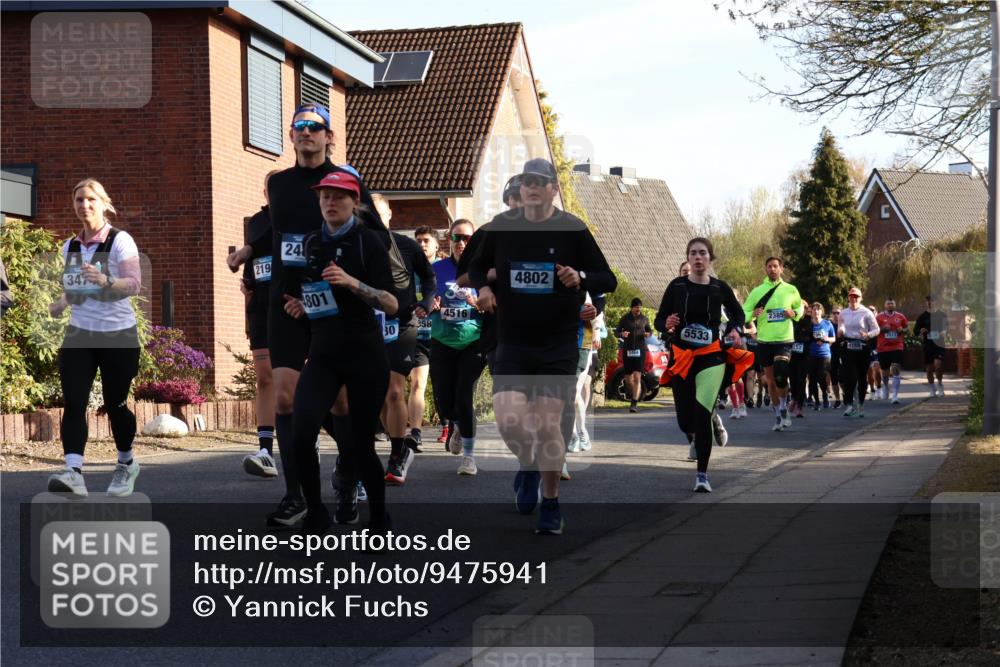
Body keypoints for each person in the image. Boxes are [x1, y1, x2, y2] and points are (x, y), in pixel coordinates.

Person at [244, 103, 386, 527]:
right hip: (286, 301)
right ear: (291, 137)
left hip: (332, 307)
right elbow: (276, 231)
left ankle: (347, 470)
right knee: (285, 396)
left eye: (314, 127)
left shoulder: (346, 181)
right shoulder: (282, 184)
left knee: (340, 404)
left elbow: (375, 235)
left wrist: (357, 280)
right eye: (299, 127)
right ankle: (297, 497)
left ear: (329, 137)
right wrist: (250, 253)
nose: (306, 132)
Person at [471, 158, 617, 534]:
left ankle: (550, 503)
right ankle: (528, 464)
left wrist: (579, 275)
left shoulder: (573, 230)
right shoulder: (501, 228)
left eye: (541, 182)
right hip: (514, 340)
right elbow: (472, 266)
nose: (533, 187)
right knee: (509, 420)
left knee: (549, 423)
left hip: (557, 341)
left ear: (554, 189)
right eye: (526, 182)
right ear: (520, 189)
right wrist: (485, 287)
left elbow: (607, 278)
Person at [281, 171, 397, 534]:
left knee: (360, 444)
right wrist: (303, 305)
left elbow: (392, 303)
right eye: (324, 197)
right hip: (324, 353)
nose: (330, 203)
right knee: (301, 434)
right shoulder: (312, 242)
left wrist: (352, 282)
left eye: (338, 197)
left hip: (364, 353)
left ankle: (379, 519)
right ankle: (315, 514)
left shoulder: (369, 242)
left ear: (354, 203)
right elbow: (314, 292)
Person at [47, 179, 143, 498]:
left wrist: (105, 279)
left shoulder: (120, 241)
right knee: (74, 402)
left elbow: (133, 284)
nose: (84, 205)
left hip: (118, 334)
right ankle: (74, 471)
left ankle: (126, 463)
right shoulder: (70, 246)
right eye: (78, 200)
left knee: (115, 404)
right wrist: (61, 303)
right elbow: (78, 290)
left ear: (103, 203)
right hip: (80, 333)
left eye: (90, 199)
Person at [655, 238, 751, 493]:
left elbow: (738, 314)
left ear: (710, 258)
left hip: (712, 356)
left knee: (701, 413)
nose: (698, 258)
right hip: (682, 356)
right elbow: (659, 319)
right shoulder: (676, 286)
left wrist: (734, 329)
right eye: (693, 253)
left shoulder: (720, 288)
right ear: (688, 258)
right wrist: (667, 323)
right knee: (686, 423)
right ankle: (710, 421)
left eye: (703, 253)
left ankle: (702, 475)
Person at [366, 195, 436, 484]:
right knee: (380, 395)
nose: (374, 220)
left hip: (403, 323)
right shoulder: (357, 247)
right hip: (369, 325)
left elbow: (429, 278)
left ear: (389, 215)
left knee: (395, 390)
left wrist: (428, 300)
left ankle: (396, 457)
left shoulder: (406, 246)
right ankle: (401, 444)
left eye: (379, 215)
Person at [227, 171, 280, 478]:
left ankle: (306, 440)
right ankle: (265, 451)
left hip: (291, 307)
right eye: (268, 189)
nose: (272, 194)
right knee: (264, 377)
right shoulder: (256, 221)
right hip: (260, 307)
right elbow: (253, 261)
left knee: (291, 379)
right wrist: (247, 285)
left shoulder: (298, 217)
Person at [430, 219, 486, 475]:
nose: (461, 243)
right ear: (448, 240)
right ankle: (453, 424)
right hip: (441, 340)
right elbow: (421, 299)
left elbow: (497, 306)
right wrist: (430, 305)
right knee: (444, 400)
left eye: (466, 238)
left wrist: (481, 302)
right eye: (456, 238)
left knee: (464, 395)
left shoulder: (485, 272)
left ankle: (469, 456)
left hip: (473, 342)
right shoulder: (436, 269)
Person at [742, 257, 804, 432]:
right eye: (769, 266)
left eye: (775, 266)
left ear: (781, 269)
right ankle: (778, 414)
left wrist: (794, 312)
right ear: (765, 269)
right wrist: (752, 314)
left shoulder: (791, 290)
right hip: (764, 341)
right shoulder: (757, 291)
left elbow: (800, 308)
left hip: (784, 339)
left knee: (781, 375)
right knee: (770, 381)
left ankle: (784, 405)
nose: (772, 269)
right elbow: (744, 312)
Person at [405, 225, 441, 450]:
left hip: (439, 335)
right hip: (414, 333)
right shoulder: (407, 269)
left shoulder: (443, 269)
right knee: (415, 383)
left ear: (437, 244)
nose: (421, 244)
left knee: (444, 387)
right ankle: (414, 431)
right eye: (418, 240)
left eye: (426, 240)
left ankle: (451, 422)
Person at [837, 288, 880, 418]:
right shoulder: (843, 313)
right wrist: (841, 331)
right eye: (851, 297)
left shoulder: (866, 312)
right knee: (850, 376)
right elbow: (841, 326)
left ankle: (860, 403)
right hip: (848, 346)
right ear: (848, 298)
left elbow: (876, 329)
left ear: (861, 298)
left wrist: (868, 335)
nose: (854, 299)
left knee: (861, 377)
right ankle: (849, 404)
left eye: (856, 297)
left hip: (862, 346)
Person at [616, 298, 652, 413]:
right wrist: (622, 333)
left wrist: (648, 334)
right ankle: (634, 396)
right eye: (636, 307)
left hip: (640, 351)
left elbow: (650, 331)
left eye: (640, 307)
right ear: (632, 307)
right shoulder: (625, 319)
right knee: (628, 379)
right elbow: (616, 332)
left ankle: (634, 403)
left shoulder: (644, 319)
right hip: (627, 350)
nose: (638, 309)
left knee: (637, 377)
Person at [875, 298, 909, 404]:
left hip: (897, 347)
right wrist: (882, 329)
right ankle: (885, 386)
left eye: (892, 303)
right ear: (885, 305)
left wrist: (902, 330)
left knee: (895, 369)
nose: (890, 305)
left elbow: (907, 328)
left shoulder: (900, 316)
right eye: (888, 303)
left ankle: (895, 395)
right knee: (885, 373)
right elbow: (873, 330)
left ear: (895, 305)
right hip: (883, 348)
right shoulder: (879, 317)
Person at [915, 295, 948, 397]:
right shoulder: (922, 317)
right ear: (926, 303)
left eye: (932, 301)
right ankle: (932, 388)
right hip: (928, 345)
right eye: (928, 301)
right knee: (929, 369)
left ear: (936, 302)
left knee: (938, 366)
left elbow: (947, 327)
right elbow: (916, 331)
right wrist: (920, 331)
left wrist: (944, 332)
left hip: (939, 344)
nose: (930, 303)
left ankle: (940, 385)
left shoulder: (942, 315)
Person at [807, 302, 837, 410]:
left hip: (824, 354)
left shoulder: (827, 324)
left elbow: (833, 338)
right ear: (811, 312)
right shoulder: (809, 325)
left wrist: (826, 340)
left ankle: (824, 394)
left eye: (818, 310)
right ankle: (817, 401)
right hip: (811, 355)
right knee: (812, 380)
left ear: (822, 311)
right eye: (814, 310)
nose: (816, 312)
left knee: (821, 376)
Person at [788, 301, 813, 418]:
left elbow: (810, 334)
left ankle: (799, 405)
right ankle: (793, 398)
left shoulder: (808, 320)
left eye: (802, 307)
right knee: (792, 378)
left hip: (804, 354)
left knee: (801, 379)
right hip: (791, 353)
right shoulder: (790, 320)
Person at [828, 305, 844, 408]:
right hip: (831, 354)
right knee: (833, 378)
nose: (836, 315)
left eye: (838, 313)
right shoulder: (828, 325)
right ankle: (837, 399)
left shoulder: (844, 325)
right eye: (834, 313)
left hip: (843, 354)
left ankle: (846, 394)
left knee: (842, 378)